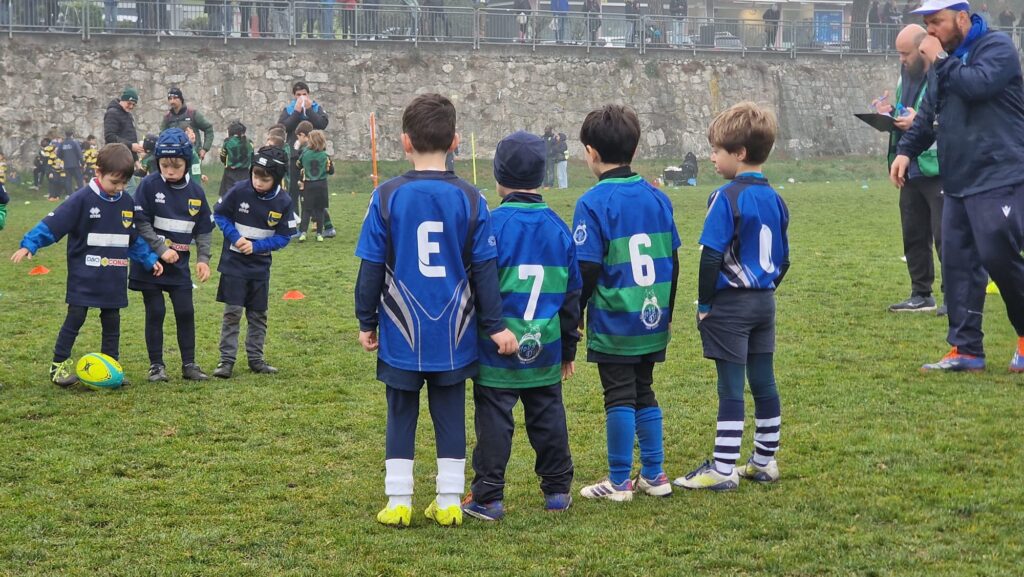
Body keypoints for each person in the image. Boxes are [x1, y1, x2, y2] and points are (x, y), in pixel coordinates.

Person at [354, 93, 518, 528]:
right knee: (450, 412)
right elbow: (485, 270)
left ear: (405, 142)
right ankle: (448, 501)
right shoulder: (472, 197)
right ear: (456, 141)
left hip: (398, 329)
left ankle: (398, 501)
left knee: (400, 412)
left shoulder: (385, 196)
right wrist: (495, 325)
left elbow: (371, 267)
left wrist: (366, 320)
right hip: (455, 330)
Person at [892, 0, 1024, 373]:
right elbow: (930, 111)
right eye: (927, 24)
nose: (930, 31)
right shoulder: (943, 62)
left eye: (937, 22)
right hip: (958, 180)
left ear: (962, 18)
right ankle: (965, 349)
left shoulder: (996, 48)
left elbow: (976, 86)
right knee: (957, 264)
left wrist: (941, 62)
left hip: (999, 174)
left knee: (999, 257)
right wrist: (905, 151)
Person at [461, 131, 580, 522]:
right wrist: (568, 349)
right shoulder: (560, 229)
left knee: (495, 419)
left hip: (497, 347)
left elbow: (476, 283)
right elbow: (571, 296)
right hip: (543, 347)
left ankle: (489, 496)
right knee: (548, 417)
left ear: (498, 175)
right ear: (544, 176)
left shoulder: (490, 225)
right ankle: (558, 491)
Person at [673, 102, 790, 491]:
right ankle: (764, 461)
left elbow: (710, 258)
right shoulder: (776, 198)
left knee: (729, 385)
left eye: (717, 150)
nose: (711, 157)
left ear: (738, 154)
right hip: (764, 303)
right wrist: (765, 288)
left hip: (731, 306)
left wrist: (705, 305)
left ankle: (723, 467)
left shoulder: (725, 197)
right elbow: (784, 260)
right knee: (763, 381)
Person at [574, 104, 680, 502]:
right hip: (652, 316)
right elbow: (673, 259)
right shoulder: (657, 197)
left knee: (617, 395)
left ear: (591, 152)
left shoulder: (592, 202)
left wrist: (575, 316)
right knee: (644, 390)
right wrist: (666, 312)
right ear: (634, 148)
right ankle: (655, 474)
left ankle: (619, 481)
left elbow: (585, 268)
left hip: (615, 319)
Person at [10, 144, 163, 387]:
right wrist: (30, 244)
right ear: (98, 172)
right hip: (84, 275)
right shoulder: (81, 199)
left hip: (113, 276)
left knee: (112, 322)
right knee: (75, 318)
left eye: (124, 183)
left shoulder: (125, 202)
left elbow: (131, 239)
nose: (119, 188)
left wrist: (149, 259)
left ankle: (111, 370)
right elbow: (53, 225)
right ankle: (58, 367)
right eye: (115, 182)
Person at [131, 129, 214, 383]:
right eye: (164, 165)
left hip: (179, 266)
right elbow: (140, 221)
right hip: (151, 264)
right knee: (155, 311)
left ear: (187, 163)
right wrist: (160, 249)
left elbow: (203, 229)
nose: (169, 170)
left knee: (185, 311)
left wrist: (203, 259)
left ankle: (189, 364)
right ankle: (156, 366)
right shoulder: (148, 185)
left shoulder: (196, 194)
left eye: (175, 165)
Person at [874, 25, 946, 313]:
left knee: (946, 236)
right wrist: (890, 112)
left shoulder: (943, 73)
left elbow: (947, 115)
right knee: (913, 233)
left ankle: (954, 298)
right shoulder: (907, 75)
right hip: (910, 166)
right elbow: (909, 110)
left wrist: (922, 119)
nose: (901, 59)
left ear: (922, 49)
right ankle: (921, 294)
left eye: (905, 53)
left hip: (939, 166)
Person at [211, 146, 296, 379]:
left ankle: (256, 360)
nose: (258, 182)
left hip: (259, 268)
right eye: (255, 176)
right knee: (233, 312)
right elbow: (220, 215)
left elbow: (284, 237)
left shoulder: (284, 201)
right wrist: (236, 238)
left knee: (258, 314)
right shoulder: (239, 190)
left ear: (276, 179)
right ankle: (226, 361)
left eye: (265, 179)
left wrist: (257, 246)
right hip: (233, 265)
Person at [278, 82, 335, 237]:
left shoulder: (316, 108)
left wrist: (309, 110)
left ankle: (327, 226)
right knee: (293, 191)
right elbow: (283, 127)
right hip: (295, 156)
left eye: (304, 94)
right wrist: (296, 112)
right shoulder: (289, 110)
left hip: (314, 156)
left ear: (308, 94)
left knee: (315, 193)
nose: (301, 97)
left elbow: (321, 124)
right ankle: (295, 226)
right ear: (294, 96)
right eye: (298, 95)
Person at [296, 129, 334, 242]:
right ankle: (319, 234)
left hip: (308, 184)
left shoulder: (305, 153)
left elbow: (298, 165)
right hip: (321, 185)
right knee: (320, 209)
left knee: (306, 209)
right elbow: (331, 170)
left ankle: (303, 232)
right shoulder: (325, 155)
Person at [161, 88, 215, 162]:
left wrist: (204, 149)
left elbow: (208, 128)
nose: (172, 101)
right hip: (174, 157)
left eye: (175, 98)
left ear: (181, 99)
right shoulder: (167, 117)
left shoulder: (192, 114)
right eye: (170, 99)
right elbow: (162, 136)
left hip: (192, 155)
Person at [104, 87, 146, 162]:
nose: (131, 106)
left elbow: (130, 137)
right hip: (116, 157)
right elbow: (110, 137)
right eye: (129, 103)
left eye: (134, 105)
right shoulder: (112, 113)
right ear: (123, 100)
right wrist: (131, 146)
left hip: (127, 158)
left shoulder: (128, 115)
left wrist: (135, 160)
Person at [219, 120, 254, 197]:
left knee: (228, 196)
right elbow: (252, 158)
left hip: (230, 174)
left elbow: (223, 158)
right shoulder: (250, 142)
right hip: (245, 173)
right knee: (243, 196)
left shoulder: (228, 142)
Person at [59, 128, 85, 194]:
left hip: (67, 165)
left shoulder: (62, 144)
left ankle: (70, 194)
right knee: (79, 179)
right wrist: (82, 163)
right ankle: (81, 194)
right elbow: (79, 154)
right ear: (72, 134)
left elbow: (58, 154)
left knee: (68, 180)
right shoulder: (74, 143)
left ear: (65, 135)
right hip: (75, 164)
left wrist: (64, 158)